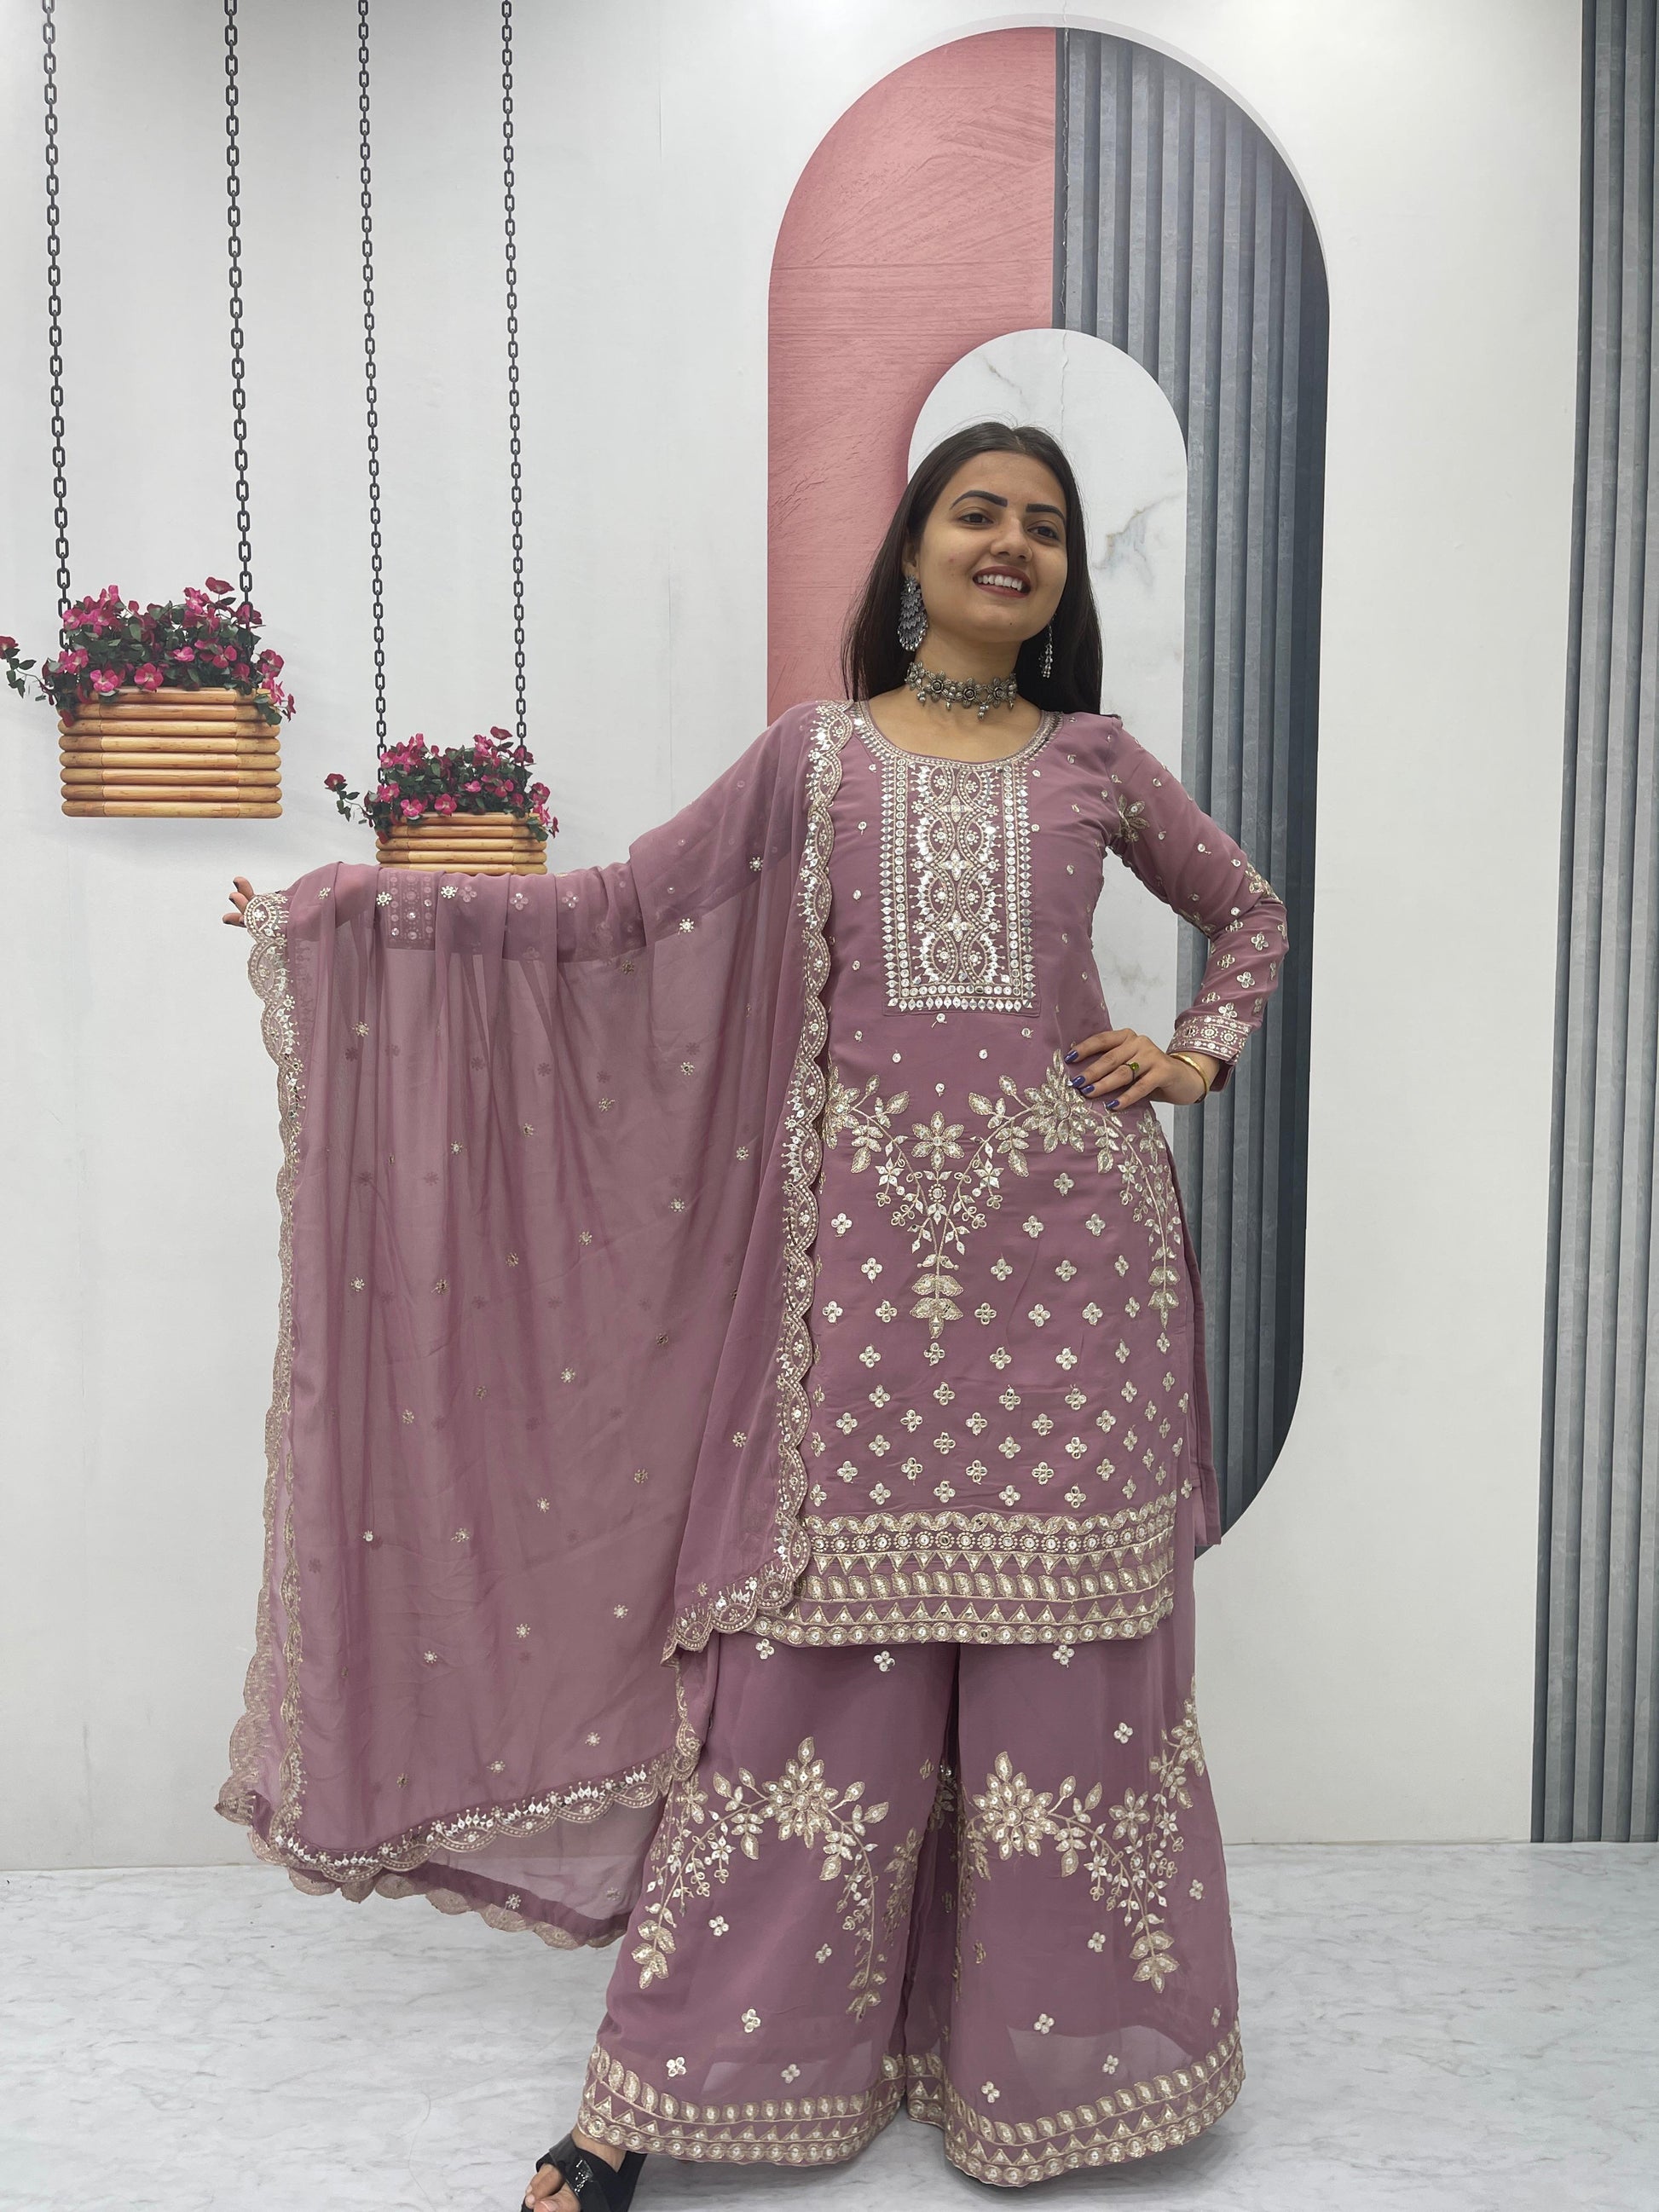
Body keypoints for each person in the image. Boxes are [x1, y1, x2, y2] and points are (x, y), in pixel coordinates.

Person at [223, 424, 1287, 2203]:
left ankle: (1044, 2074)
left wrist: (1193, 1054)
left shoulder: (1096, 761)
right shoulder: (814, 757)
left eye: (1042, 526)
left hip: (1072, 1283)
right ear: (912, 552)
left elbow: (1245, 911)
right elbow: (619, 911)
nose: (1010, 543)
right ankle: (662, 2088)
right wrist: (361, 918)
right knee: (801, 1690)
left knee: (1068, 1678)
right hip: (851, 1293)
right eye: (976, 514)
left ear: (1062, 577)